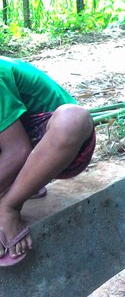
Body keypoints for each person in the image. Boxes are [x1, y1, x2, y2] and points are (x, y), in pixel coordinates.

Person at [0, 56, 95, 267]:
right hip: (16, 139)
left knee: (73, 118)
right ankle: (19, 186)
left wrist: (7, 204)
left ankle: (9, 204)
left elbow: (18, 151)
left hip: (60, 149)